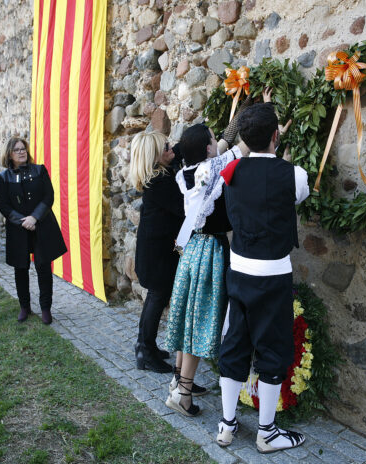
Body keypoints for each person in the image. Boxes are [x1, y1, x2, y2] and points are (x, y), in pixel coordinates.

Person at [215, 103, 309, 453]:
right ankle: (267, 432)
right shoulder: (294, 174)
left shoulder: (231, 169)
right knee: (273, 348)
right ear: (275, 135)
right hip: (273, 274)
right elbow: (299, 195)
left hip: (239, 271)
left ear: (242, 137)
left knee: (235, 342)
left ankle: (226, 425)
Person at [164, 124, 247, 417]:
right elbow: (245, 146)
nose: (218, 141)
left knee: (188, 316)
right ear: (208, 150)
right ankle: (183, 393)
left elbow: (223, 144)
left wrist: (241, 107)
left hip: (191, 250)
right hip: (210, 250)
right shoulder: (212, 169)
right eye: (213, 139)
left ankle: (177, 380)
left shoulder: (186, 172)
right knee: (199, 321)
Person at [127, 131, 183, 373]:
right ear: (155, 156)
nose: (171, 149)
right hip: (158, 252)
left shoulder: (157, 175)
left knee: (154, 297)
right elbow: (182, 208)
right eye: (166, 148)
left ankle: (143, 344)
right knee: (157, 297)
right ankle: (146, 351)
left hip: (155, 249)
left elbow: (182, 149)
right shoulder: (160, 181)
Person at [0, 136, 67, 324]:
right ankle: (24, 307)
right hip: (18, 229)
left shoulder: (39, 170)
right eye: (17, 150)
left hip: (41, 225)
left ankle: (45, 308)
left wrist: (34, 217)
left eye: (23, 149)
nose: (21, 152)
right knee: (21, 268)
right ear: (9, 154)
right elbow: (3, 204)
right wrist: (22, 221)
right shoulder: (3, 177)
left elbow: (48, 196)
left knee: (43, 267)